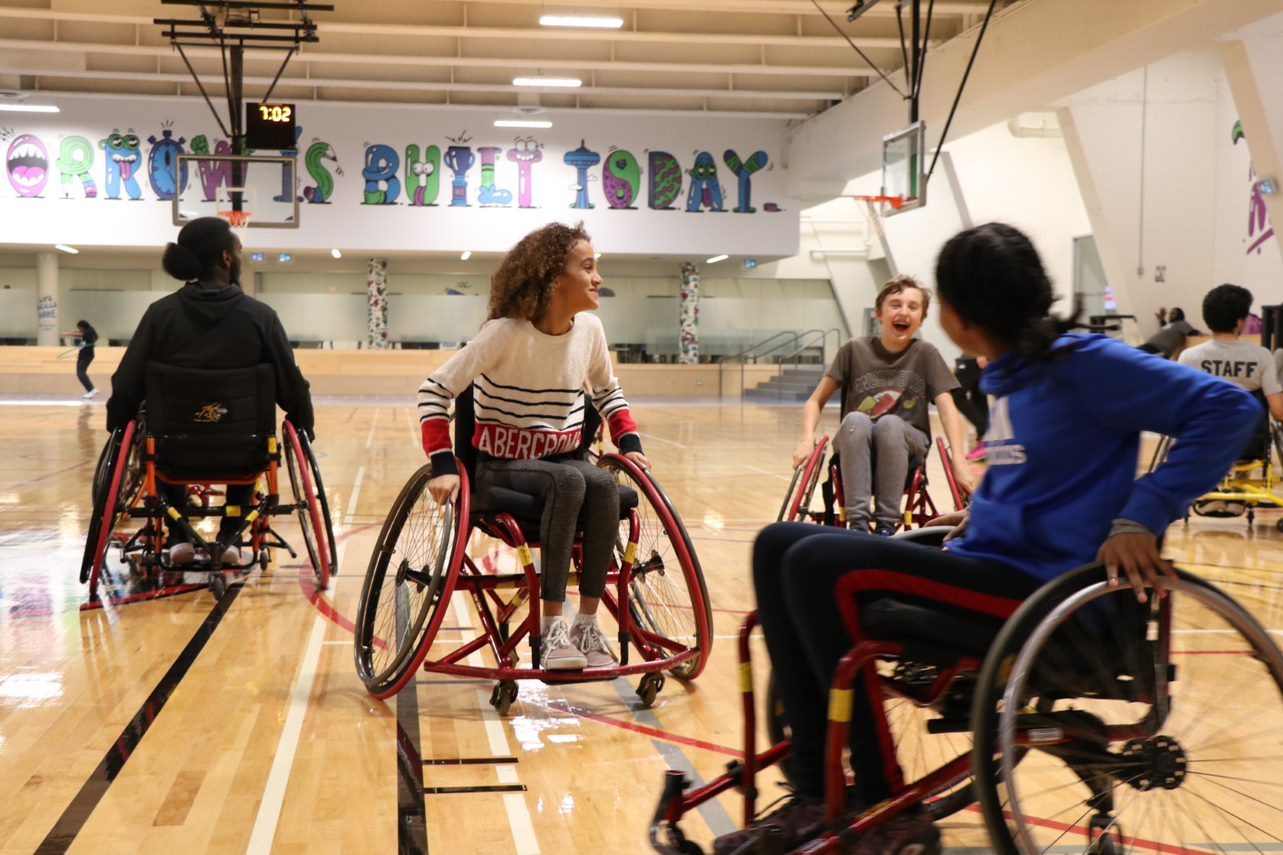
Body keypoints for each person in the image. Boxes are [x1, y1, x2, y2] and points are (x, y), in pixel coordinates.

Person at [714, 223, 1259, 855]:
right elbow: (1032, 465)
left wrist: (1143, 515)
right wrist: (989, 508)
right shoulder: (1010, 371)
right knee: (777, 542)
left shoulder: (1085, 362)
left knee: (815, 563)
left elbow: (1232, 411)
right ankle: (815, 790)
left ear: (960, 311)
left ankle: (880, 800)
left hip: (1044, 590)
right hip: (993, 564)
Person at [417, 222, 650, 672]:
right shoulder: (504, 333)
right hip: (499, 466)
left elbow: (606, 392)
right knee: (567, 480)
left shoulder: (590, 331)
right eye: (588, 268)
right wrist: (443, 463)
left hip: (559, 460)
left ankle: (585, 622)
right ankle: (551, 628)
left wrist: (630, 441)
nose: (598, 278)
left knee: (601, 484)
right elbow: (434, 391)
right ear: (552, 277)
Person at [106, 216, 315, 566]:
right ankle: (231, 535)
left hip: (172, 452)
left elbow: (125, 384)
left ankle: (177, 537)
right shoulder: (261, 317)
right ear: (226, 258)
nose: (241, 256)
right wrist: (304, 426)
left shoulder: (160, 316)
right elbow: (293, 388)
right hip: (244, 451)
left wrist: (119, 430)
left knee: (157, 432)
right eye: (239, 250)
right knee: (248, 434)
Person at [793, 275, 973, 536]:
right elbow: (815, 401)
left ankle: (886, 527)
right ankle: (858, 525)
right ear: (879, 313)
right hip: (856, 443)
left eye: (913, 307)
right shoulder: (853, 349)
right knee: (856, 420)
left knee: (889, 424)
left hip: (908, 447)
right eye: (896, 304)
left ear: (922, 318)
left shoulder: (926, 354)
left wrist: (960, 460)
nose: (903, 312)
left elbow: (948, 410)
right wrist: (806, 438)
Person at [63, 319, 99, 399]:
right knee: (81, 373)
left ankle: (91, 390)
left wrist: (67, 333)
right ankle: (91, 390)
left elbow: (80, 334)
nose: (79, 329)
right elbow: (85, 339)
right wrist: (80, 351)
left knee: (80, 373)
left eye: (79, 328)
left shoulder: (88, 331)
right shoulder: (90, 331)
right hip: (84, 354)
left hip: (86, 355)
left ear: (82, 327)